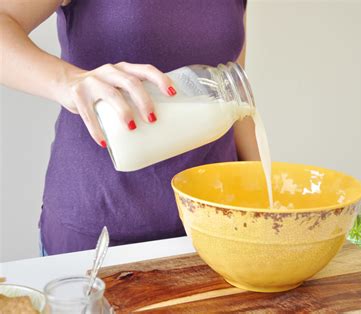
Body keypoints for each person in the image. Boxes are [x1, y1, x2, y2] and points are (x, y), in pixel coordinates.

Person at [0, 0, 258, 255]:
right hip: (99, 235)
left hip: (215, 228)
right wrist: (69, 81)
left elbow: (235, 98)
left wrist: (263, 196)